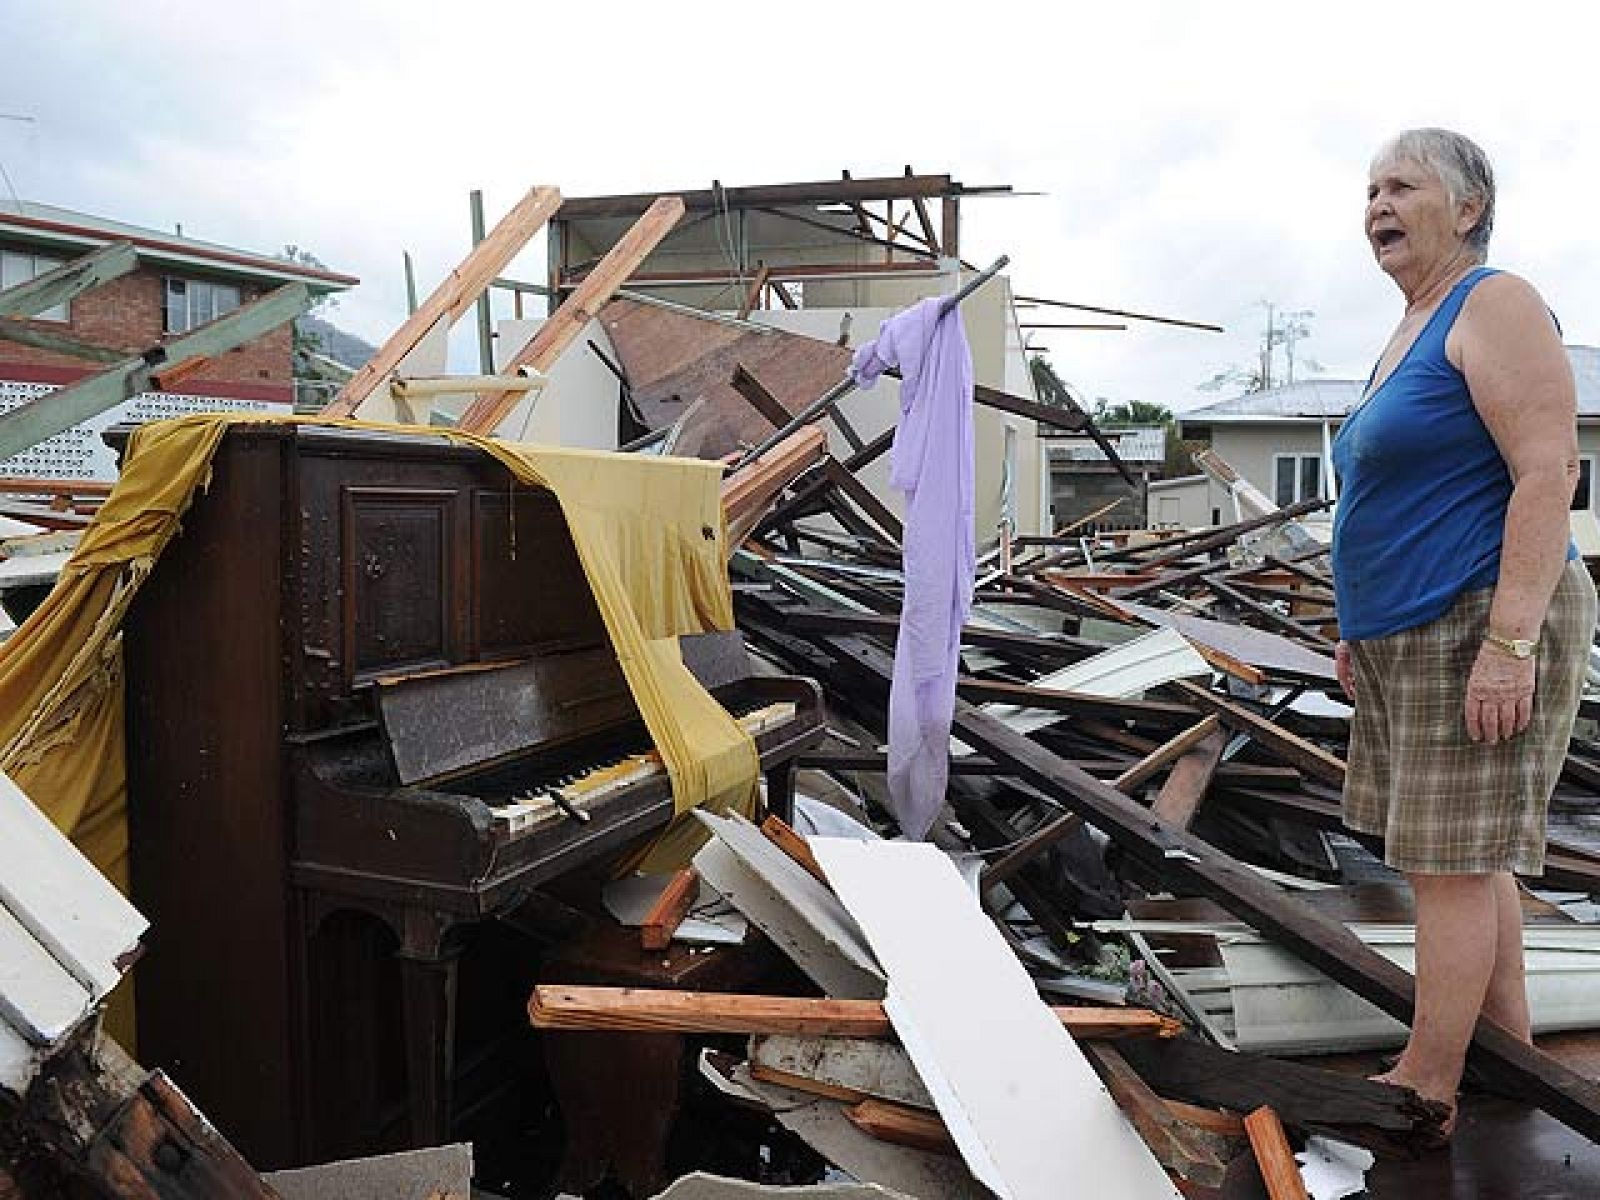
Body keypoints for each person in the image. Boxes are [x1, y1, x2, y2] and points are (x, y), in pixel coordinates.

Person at [1331, 128, 1597, 1135]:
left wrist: (1511, 641)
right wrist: (1355, 627)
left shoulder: (1495, 303)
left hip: (1473, 618)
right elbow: (1388, 488)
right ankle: (1509, 1057)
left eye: (1400, 187)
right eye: (1368, 192)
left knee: (1446, 861)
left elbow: (1545, 471)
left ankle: (1426, 1083)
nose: (1376, 206)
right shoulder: (1412, 325)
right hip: (1405, 628)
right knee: (1462, 852)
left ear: (1469, 208)